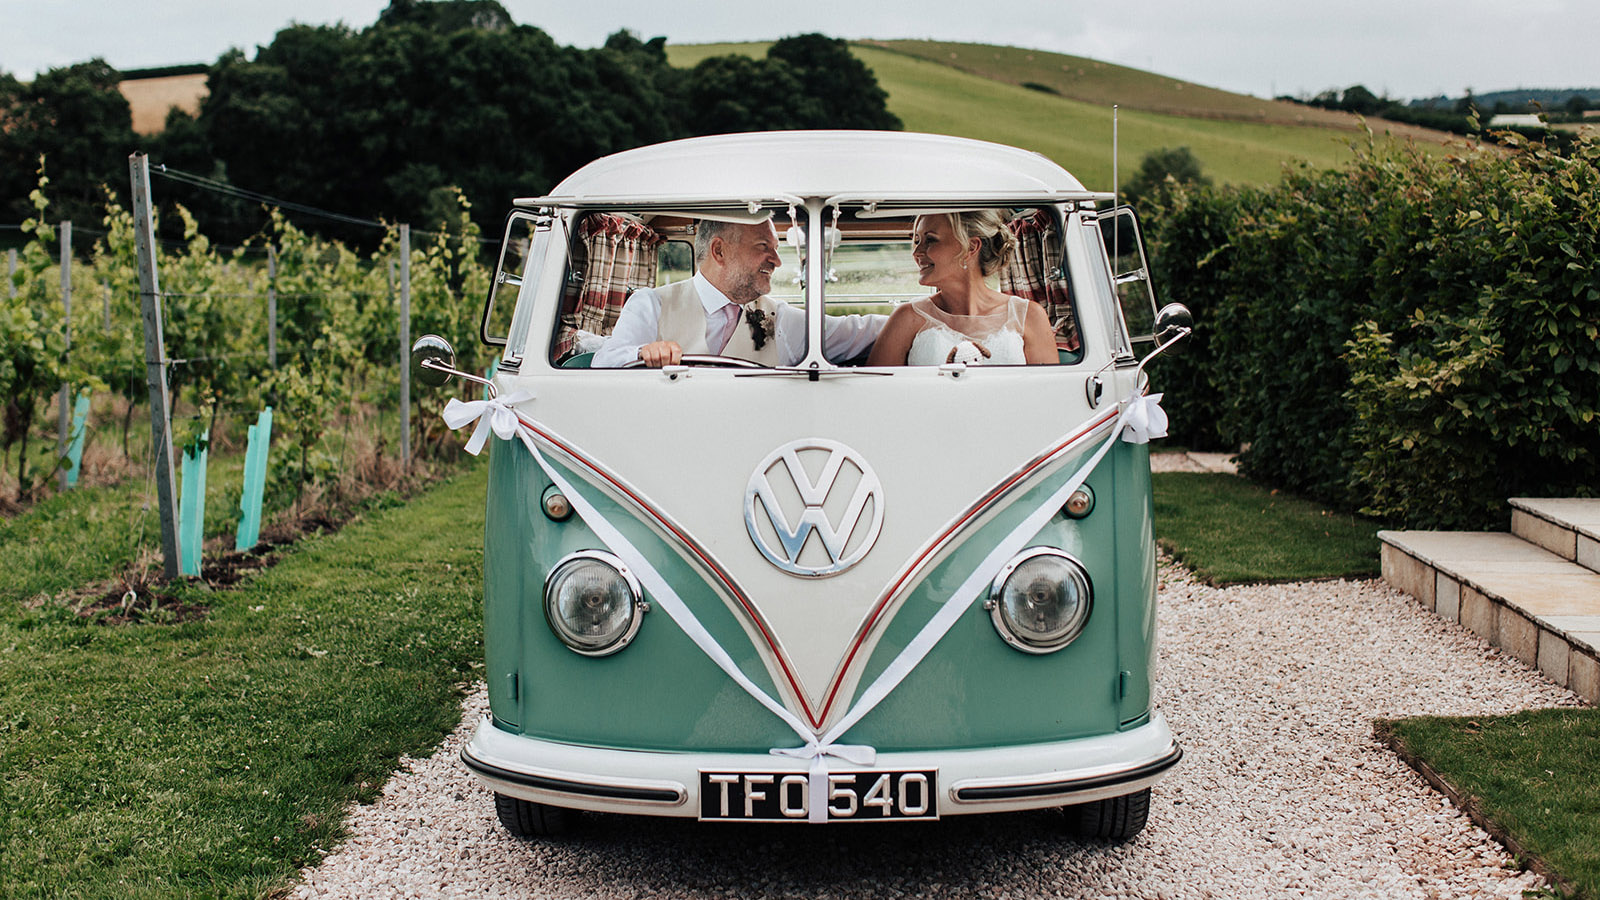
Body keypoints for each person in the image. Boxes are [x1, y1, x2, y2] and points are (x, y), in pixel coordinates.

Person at [592, 218, 885, 368]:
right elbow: (604, 361)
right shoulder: (651, 304)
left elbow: (860, 331)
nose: (777, 260)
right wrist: (642, 353)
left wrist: (923, 312)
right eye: (763, 247)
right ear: (719, 251)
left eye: (776, 249)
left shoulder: (780, 321)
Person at [866, 211, 1058, 367]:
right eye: (916, 241)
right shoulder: (906, 318)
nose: (916, 253)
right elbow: (874, 398)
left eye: (930, 240)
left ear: (971, 247)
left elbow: (1050, 398)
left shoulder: (1029, 316)